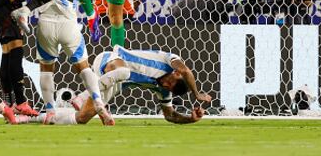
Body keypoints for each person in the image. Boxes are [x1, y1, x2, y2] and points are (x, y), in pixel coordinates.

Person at [23, 0, 112, 126]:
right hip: (69, 23)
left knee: (46, 69)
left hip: (46, 22)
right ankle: (98, 103)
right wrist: (91, 14)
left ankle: (49, 112)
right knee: (84, 66)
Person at [20, 46, 211, 125]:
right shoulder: (170, 60)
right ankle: (84, 95)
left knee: (82, 118)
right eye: (170, 82)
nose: (165, 85)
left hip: (112, 83)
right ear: (176, 73)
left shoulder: (164, 88)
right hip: (110, 60)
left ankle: (30, 118)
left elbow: (169, 115)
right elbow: (186, 70)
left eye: (168, 88)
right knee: (125, 71)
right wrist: (197, 94)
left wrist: (191, 119)